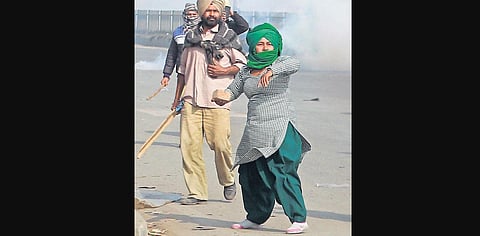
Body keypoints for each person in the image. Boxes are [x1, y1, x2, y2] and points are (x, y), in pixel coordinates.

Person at [211, 22, 312, 234]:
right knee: (251, 175)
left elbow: (294, 63)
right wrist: (222, 97)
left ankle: (298, 218)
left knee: (281, 171)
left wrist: (272, 69)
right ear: (252, 46)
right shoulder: (246, 71)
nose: (264, 47)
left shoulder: (281, 63)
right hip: (255, 128)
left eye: (269, 43)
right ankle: (255, 217)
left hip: (280, 127)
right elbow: (232, 91)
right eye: (260, 44)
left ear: (276, 45)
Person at [170, 0, 247, 205]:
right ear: (202, 13)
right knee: (190, 148)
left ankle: (228, 180)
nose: (211, 13)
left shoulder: (228, 37)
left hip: (217, 102)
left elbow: (241, 65)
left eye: (215, 10)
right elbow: (182, 71)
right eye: (208, 10)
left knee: (221, 145)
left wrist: (223, 71)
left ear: (220, 13)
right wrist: (177, 98)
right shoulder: (191, 37)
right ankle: (197, 192)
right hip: (191, 101)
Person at [160, 3, 200, 87]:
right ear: (184, 15)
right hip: (182, 72)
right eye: (189, 14)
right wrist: (166, 75)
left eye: (194, 14)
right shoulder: (178, 32)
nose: (191, 16)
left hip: (200, 73)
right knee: (181, 98)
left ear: (198, 15)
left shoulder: (203, 30)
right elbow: (172, 55)